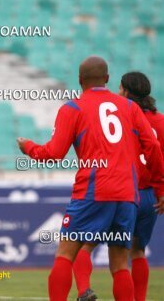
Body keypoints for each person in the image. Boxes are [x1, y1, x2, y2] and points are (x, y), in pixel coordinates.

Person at [16, 56, 164, 301]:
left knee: (65, 253)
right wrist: (160, 186)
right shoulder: (130, 107)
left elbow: (53, 154)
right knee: (119, 265)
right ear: (107, 79)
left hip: (93, 192)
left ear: (79, 80)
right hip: (128, 195)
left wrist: (28, 147)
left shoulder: (72, 108)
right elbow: (153, 149)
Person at [72, 71, 164, 301]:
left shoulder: (123, 114)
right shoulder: (161, 121)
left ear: (123, 89)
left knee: (86, 245)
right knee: (137, 252)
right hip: (151, 196)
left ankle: (84, 289)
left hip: (123, 192)